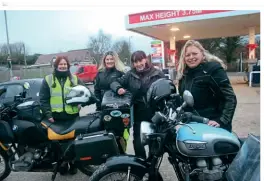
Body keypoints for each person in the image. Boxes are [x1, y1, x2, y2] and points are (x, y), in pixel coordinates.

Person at [110, 50, 165, 159]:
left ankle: (151, 167)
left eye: (140, 61)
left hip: (155, 113)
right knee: (138, 143)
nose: (138, 64)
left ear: (145, 59)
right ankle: (141, 165)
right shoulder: (130, 74)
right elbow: (114, 82)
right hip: (138, 113)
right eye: (135, 62)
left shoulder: (157, 73)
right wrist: (118, 88)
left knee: (153, 142)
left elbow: (166, 87)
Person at [176, 40, 237, 132]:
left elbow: (230, 98)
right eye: (187, 55)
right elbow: (183, 99)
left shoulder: (213, 69)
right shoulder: (184, 75)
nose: (191, 57)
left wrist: (222, 121)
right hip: (193, 124)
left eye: (194, 53)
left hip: (212, 124)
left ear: (202, 54)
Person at [39, 56, 85, 175]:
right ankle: (63, 164)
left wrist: (81, 103)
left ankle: (74, 164)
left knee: (73, 142)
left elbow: (84, 92)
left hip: (72, 116)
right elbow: (43, 99)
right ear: (56, 66)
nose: (63, 66)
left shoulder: (74, 79)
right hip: (56, 118)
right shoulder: (48, 80)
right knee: (58, 144)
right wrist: (48, 114)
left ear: (68, 66)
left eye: (65, 64)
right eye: (61, 64)